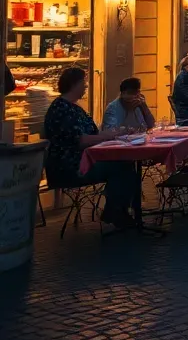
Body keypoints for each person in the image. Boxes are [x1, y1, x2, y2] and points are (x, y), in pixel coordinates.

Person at [43, 66, 137, 230]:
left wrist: (114, 133)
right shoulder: (61, 109)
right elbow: (80, 141)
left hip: (85, 160)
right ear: (74, 84)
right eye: (83, 82)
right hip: (70, 166)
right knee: (122, 167)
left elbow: (93, 134)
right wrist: (108, 136)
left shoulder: (74, 108)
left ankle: (117, 210)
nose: (86, 86)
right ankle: (116, 211)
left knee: (125, 164)